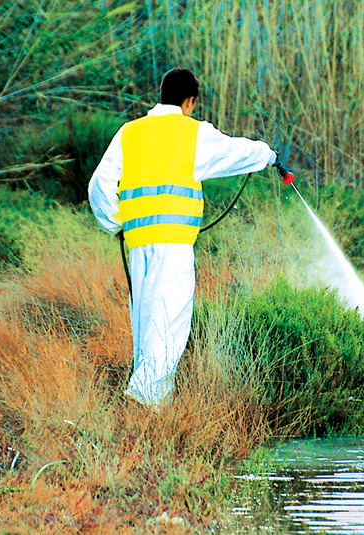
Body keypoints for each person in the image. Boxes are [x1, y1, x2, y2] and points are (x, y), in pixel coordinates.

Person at [88, 68, 277, 405]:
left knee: (147, 326)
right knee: (169, 327)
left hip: (138, 245)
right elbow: (237, 152)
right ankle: (141, 402)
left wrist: (115, 222)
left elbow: (99, 186)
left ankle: (152, 413)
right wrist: (269, 155)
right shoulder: (193, 133)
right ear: (190, 101)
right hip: (173, 246)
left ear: (161, 95)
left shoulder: (129, 133)